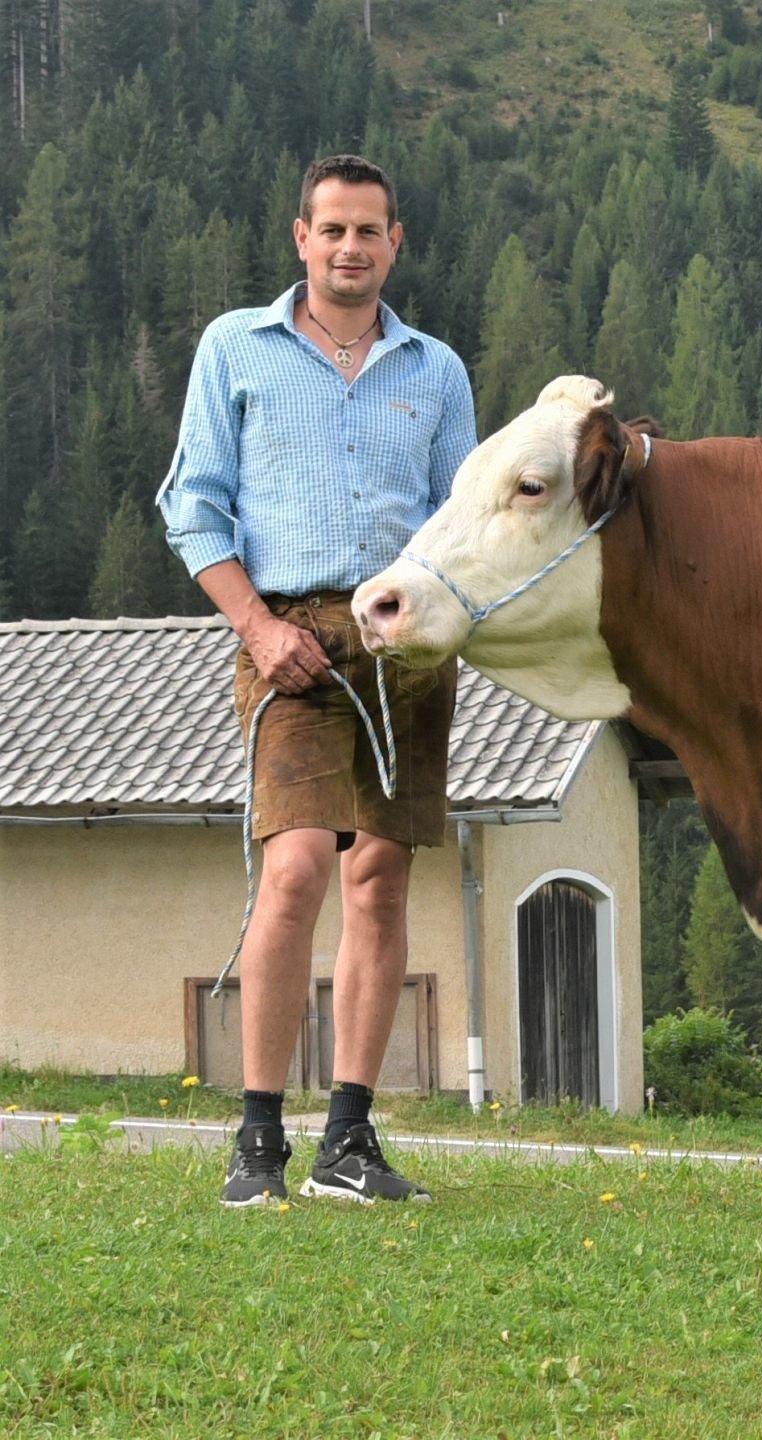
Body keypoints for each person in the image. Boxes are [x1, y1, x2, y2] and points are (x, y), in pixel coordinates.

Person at [158, 154, 477, 1207]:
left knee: (379, 879)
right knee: (294, 866)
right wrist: (254, 626)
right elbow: (192, 505)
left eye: (369, 231)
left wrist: (435, 627)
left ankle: (349, 1138)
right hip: (286, 632)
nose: (350, 248)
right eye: (331, 229)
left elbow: (461, 522)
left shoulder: (436, 371)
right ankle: (258, 1139)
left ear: (397, 243)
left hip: (404, 641)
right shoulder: (235, 350)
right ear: (300, 238)